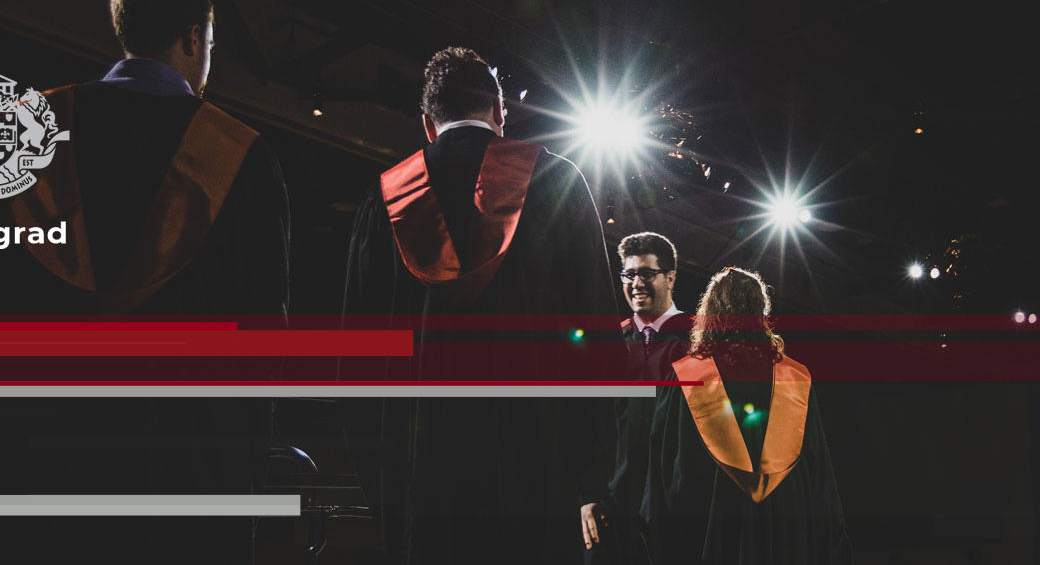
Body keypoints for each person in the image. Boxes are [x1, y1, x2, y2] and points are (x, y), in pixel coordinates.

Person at [0, 0, 289, 564]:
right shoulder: (241, 159)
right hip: (185, 482)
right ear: (191, 39)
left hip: (33, 469)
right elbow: (260, 336)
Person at [343, 46, 624, 564]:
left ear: (428, 123)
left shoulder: (384, 199)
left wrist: (379, 478)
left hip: (422, 477)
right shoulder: (556, 181)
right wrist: (591, 473)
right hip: (536, 468)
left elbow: (358, 356)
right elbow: (596, 339)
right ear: (500, 113)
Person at [641, 267, 852, 564]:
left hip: (714, 528)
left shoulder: (686, 378)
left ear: (710, 313)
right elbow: (820, 478)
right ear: (760, 313)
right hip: (786, 532)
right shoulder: (795, 379)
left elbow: (665, 472)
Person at [583, 232, 692, 564]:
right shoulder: (610, 343)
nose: (636, 283)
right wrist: (587, 495)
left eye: (647, 273)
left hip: (676, 516)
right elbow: (590, 425)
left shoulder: (696, 343)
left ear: (670, 276)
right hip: (611, 512)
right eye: (629, 274)